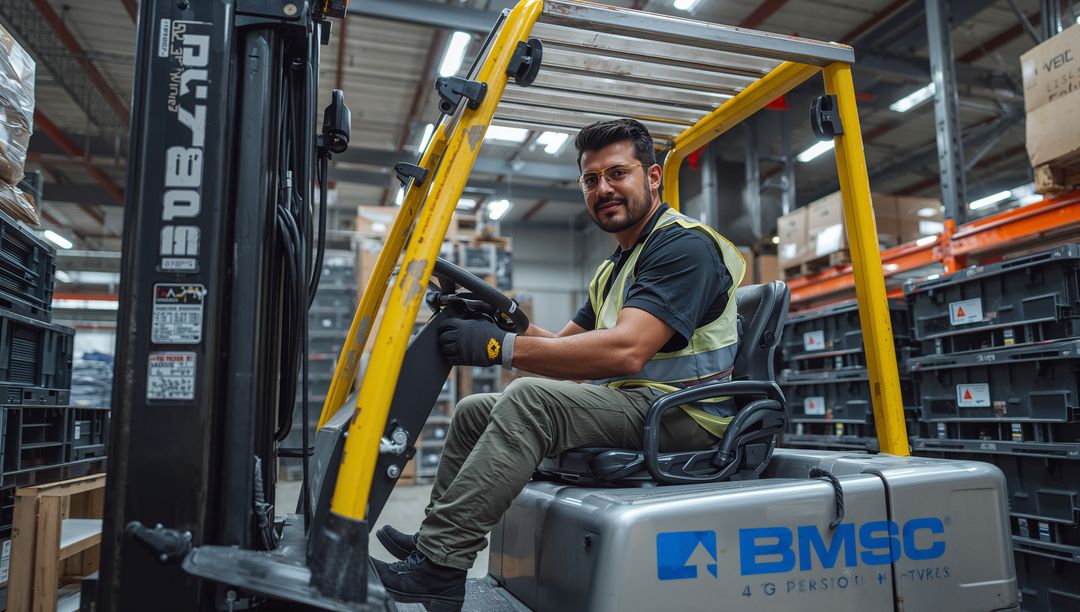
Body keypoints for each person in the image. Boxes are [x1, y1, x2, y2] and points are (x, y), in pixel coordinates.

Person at [370, 118, 746, 611]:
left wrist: (497, 349)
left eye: (617, 174)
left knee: (529, 400)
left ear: (653, 177)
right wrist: (501, 323)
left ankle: (441, 568)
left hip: (684, 415)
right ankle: (433, 543)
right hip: (635, 404)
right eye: (591, 180)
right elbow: (567, 353)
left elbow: (626, 352)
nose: (603, 189)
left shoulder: (682, 247)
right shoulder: (616, 267)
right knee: (475, 408)